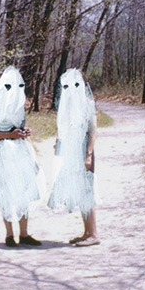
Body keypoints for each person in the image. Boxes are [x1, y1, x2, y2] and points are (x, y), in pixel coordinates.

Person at [0, 66, 43, 247]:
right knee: (5, 190)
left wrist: (25, 132)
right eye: (8, 86)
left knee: (23, 189)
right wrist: (9, 135)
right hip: (2, 152)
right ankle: (9, 234)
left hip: (20, 150)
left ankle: (24, 234)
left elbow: (18, 128)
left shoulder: (19, 105)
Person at [48, 68, 99, 246]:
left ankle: (93, 234)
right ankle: (86, 232)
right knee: (79, 191)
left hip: (84, 152)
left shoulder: (87, 103)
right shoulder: (69, 104)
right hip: (72, 152)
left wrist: (88, 155)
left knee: (86, 191)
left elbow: (93, 131)